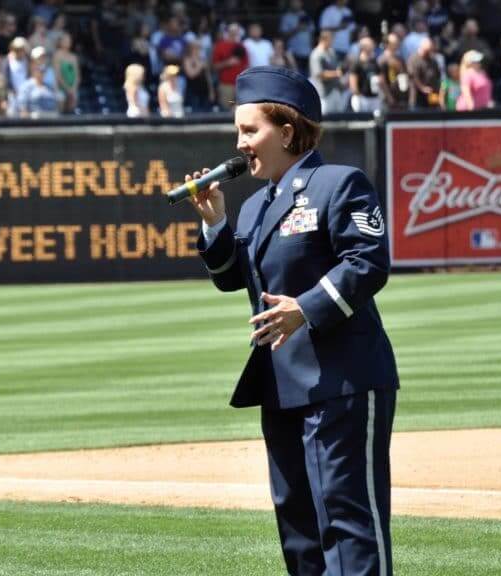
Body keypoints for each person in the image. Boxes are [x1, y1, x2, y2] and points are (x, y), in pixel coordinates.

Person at [186, 65, 398, 576]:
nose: (239, 143)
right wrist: (215, 220)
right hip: (281, 387)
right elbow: (232, 278)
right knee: (299, 529)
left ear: (285, 130)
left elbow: (368, 262)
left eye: (249, 130)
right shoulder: (258, 203)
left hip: (341, 378)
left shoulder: (339, 183)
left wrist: (306, 308)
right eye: (237, 131)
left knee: (347, 521)